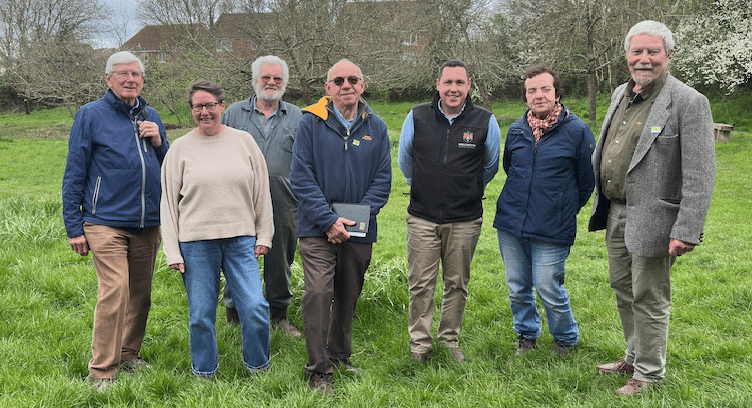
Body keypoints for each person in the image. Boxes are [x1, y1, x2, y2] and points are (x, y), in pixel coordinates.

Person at [589, 20, 715, 396]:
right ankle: (633, 354)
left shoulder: (688, 102)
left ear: (668, 55)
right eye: (637, 52)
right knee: (623, 288)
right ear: (627, 56)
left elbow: (700, 173)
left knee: (650, 295)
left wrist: (687, 228)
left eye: (652, 51)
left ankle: (649, 373)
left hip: (656, 218)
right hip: (615, 210)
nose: (644, 59)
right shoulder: (619, 94)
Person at [62, 51, 169, 391]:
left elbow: (172, 169)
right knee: (116, 290)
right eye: (122, 73)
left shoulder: (151, 115)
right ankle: (102, 371)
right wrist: (74, 226)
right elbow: (75, 171)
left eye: (136, 74)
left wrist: (160, 141)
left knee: (141, 293)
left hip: (148, 223)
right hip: (104, 220)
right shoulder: (90, 115)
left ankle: (127, 354)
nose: (130, 79)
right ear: (108, 79)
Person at [291, 59, 391, 395]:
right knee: (319, 292)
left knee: (348, 294)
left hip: (359, 230)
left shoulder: (376, 126)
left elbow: (383, 180)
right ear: (328, 88)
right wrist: (328, 219)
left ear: (362, 85)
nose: (346, 85)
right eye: (338, 80)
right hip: (316, 227)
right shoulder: (310, 124)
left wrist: (357, 218)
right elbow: (301, 178)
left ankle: (340, 355)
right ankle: (318, 370)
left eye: (353, 79)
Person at [160, 80, 273, 379]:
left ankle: (258, 366)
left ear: (222, 106)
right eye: (198, 106)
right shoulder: (180, 149)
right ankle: (204, 371)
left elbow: (262, 192)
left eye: (210, 105)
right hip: (196, 244)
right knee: (200, 315)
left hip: (241, 240)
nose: (205, 112)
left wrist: (264, 235)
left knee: (254, 308)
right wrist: (172, 250)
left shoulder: (244, 142)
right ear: (192, 111)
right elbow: (168, 204)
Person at [398, 59, 501, 363]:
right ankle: (420, 345)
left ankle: (449, 340)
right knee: (420, 284)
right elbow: (406, 160)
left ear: (469, 86)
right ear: (438, 85)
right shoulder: (417, 116)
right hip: (422, 217)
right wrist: (422, 185)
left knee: (457, 284)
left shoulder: (485, 121)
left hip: (465, 219)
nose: (453, 89)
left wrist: (466, 188)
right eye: (448, 82)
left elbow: (490, 165)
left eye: (460, 83)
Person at [493, 66, 595, 357]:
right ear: (525, 97)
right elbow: (509, 168)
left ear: (557, 92)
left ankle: (565, 338)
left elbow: (587, 181)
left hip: (553, 228)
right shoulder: (515, 130)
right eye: (532, 91)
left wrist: (562, 209)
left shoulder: (578, 131)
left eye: (545, 89)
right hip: (512, 223)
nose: (539, 95)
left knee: (548, 287)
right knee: (517, 286)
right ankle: (526, 335)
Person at [221, 55, 303, 338]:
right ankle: (235, 315)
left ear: (284, 83)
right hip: (239, 199)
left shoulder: (297, 116)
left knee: (280, 259)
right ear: (255, 80)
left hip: (283, 199)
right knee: (237, 253)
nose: (271, 83)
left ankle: (279, 315)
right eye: (265, 78)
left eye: (277, 79)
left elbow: (306, 161)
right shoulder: (233, 113)